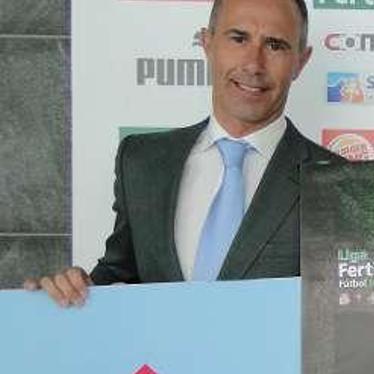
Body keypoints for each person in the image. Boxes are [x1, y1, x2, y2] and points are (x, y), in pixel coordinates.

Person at [25, 0, 340, 306]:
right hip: (161, 361)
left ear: (301, 60)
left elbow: (352, 319)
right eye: (238, 38)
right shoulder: (142, 162)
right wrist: (74, 291)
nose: (253, 64)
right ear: (207, 43)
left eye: (275, 45)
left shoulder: (339, 182)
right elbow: (121, 274)